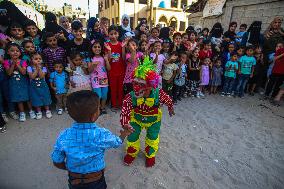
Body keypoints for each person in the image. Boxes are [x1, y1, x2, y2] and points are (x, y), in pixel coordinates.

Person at [51, 90, 133, 189]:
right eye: (98, 108)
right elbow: (117, 142)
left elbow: (57, 160)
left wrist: (70, 168)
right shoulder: (101, 134)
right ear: (94, 116)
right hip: (96, 181)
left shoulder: (64, 135)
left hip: (74, 180)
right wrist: (124, 134)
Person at [120, 56, 174, 167]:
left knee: (152, 137)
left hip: (153, 120)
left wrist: (170, 107)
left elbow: (168, 99)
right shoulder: (130, 97)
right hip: (136, 119)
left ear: (150, 86)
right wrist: (125, 123)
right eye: (135, 83)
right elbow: (125, 111)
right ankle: (131, 153)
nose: (136, 87)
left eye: (141, 85)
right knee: (132, 136)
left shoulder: (158, 93)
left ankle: (150, 155)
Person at [3, 42, 35, 121]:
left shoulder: (23, 61)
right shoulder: (6, 62)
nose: (15, 52)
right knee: (18, 99)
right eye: (12, 50)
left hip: (23, 83)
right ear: (8, 52)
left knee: (27, 97)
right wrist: (13, 64)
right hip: (14, 84)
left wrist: (17, 64)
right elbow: (9, 73)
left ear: (20, 52)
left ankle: (31, 111)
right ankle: (22, 113)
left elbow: (24, 72)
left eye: (17, 51)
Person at [104, 25, 126, 109]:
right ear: (108, 35)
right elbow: (108, 60)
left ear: (118, 34)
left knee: (120, 89)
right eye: (111, 34)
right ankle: (114, 105)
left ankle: (120, 104)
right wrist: (109, 51)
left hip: (121, 71)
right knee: (113, 89)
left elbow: (123, 58)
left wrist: (123, 48)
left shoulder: (121, 44)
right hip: (111, 72)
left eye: (115, 33)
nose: (113, 36)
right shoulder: (107, 45)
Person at [27, 53, 52, 119]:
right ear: (31, 60)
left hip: (43, 86)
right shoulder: (29, 68)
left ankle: (47, 111)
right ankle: (39, 112)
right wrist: (37, 69)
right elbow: (32, 77)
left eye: (40, 59)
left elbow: (42, 76)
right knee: (36, 98)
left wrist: (39, 68)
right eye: (36, 59)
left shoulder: (44, 68)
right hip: (34, 87)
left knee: (45, 97)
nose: (38, 60)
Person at [89, 41, 111, 114]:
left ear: (101, 48)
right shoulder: (90, 58)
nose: (97, 48)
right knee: (98, 95)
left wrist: (106, 60)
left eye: (99, 47)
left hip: (104, 79)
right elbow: (89, 70)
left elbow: (109, 69)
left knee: (104, 94)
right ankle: (97, 108)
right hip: (95, 80)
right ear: (91, 48)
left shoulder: (103, 57)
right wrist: (93, 65)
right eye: (95, 47)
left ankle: (103, 107)